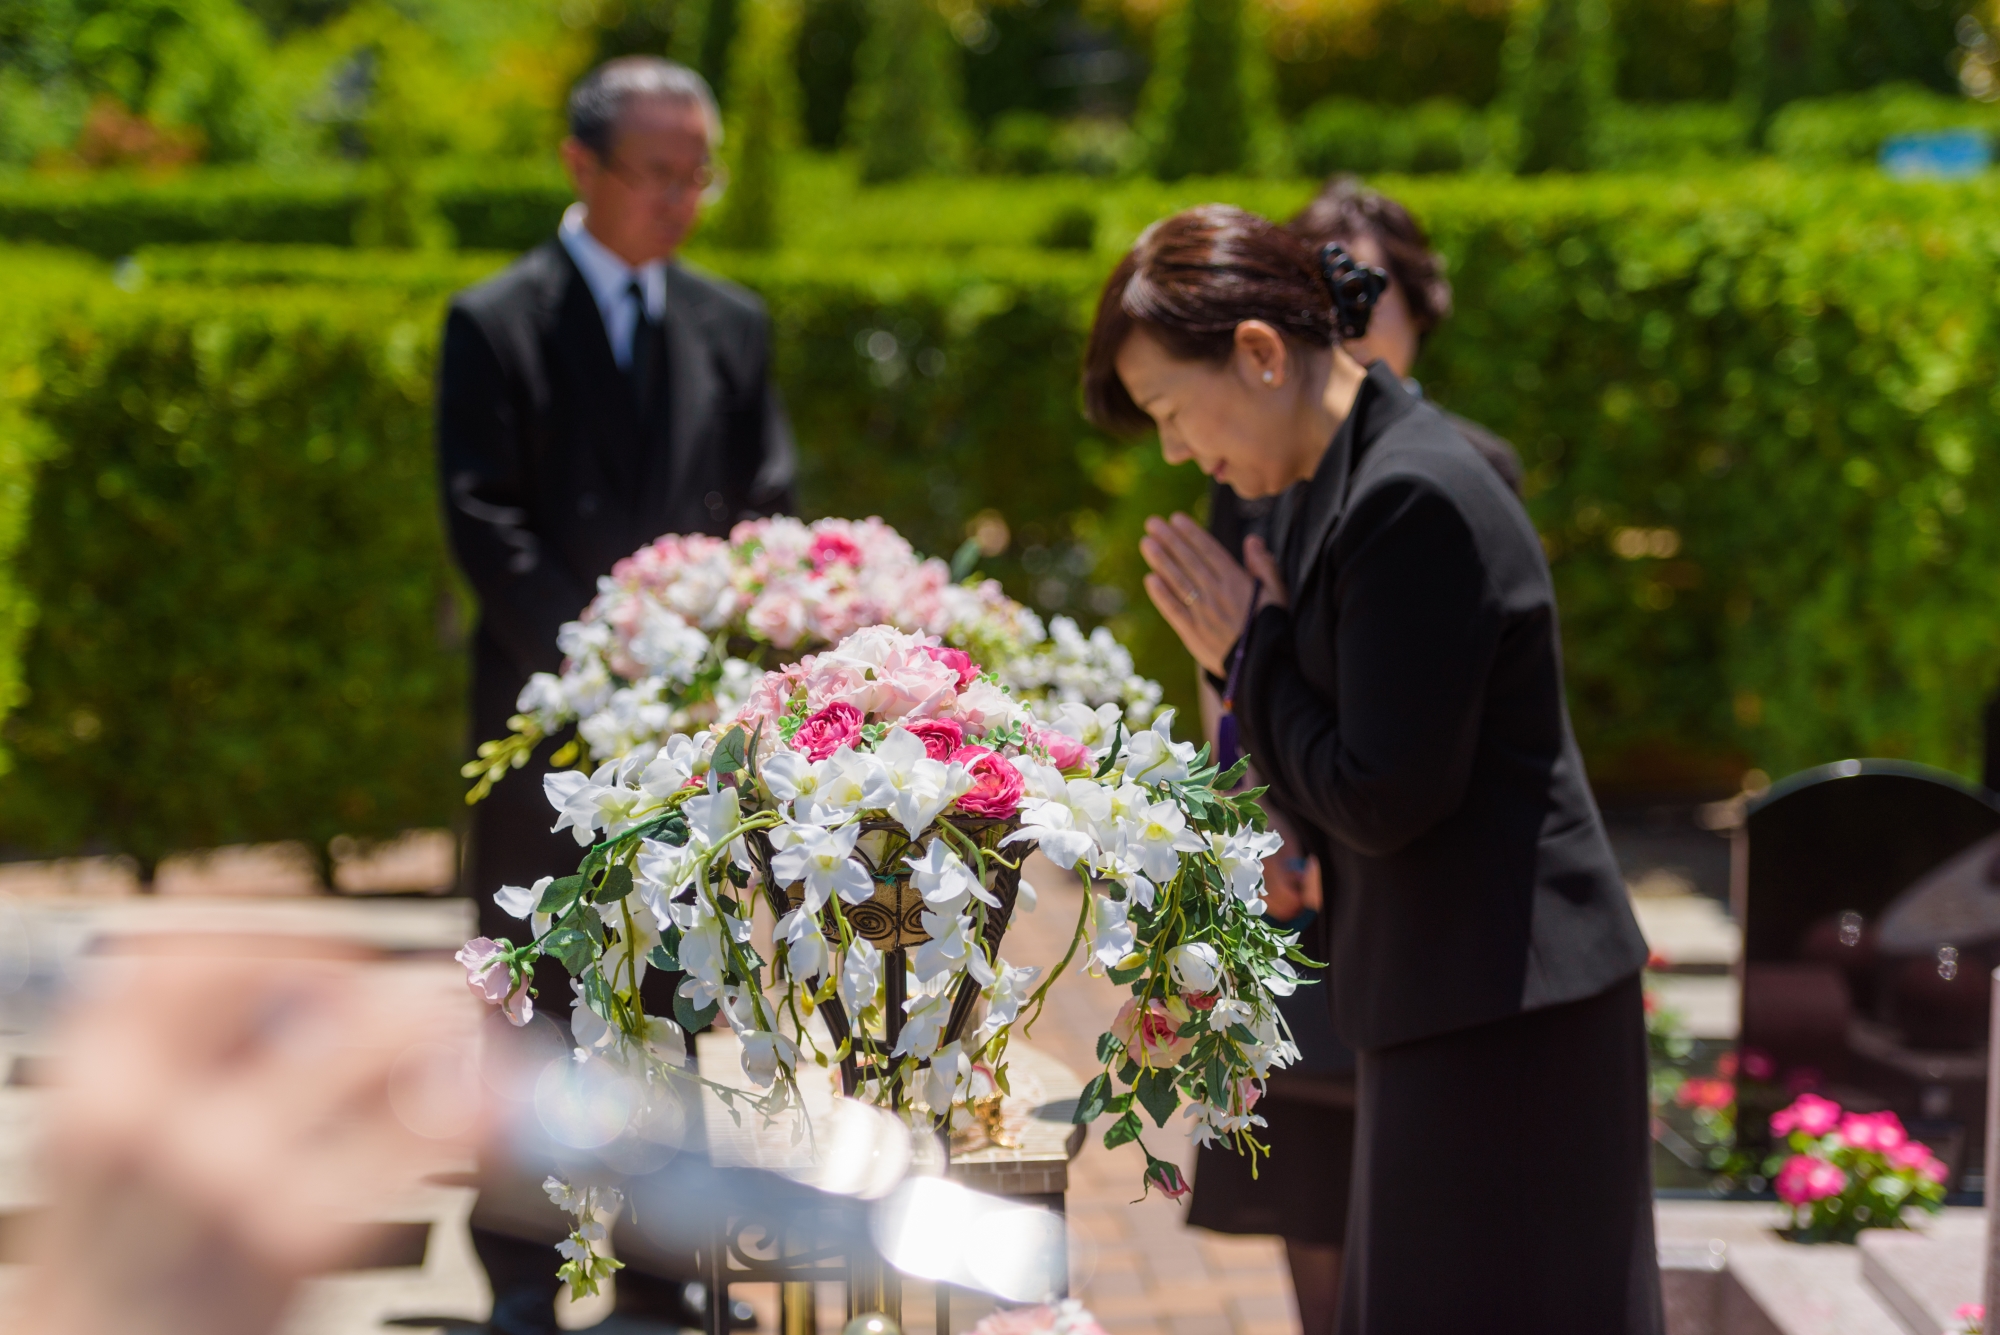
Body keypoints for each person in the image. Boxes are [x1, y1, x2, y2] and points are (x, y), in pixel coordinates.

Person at [1084, 205, 1660, 1334]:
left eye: (1167, 408)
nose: (1173, 449)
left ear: (1257, 354)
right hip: (1450, 991)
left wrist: (1245, 655)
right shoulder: (1332, 481)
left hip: (1506, 1009)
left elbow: (1382, 794)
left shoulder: (1409, 495)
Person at [435, 55, 795, 1335]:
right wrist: (613, 655)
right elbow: (485, 524)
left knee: (672, 992)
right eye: (657, 173)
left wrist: (722, 651)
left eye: (699, 173)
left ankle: (666, 1267)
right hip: (549, 720)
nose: (681, 199)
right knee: (533, 994)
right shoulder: (496, 320)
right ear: (580, 165)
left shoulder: (730, 322)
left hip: (688, 735)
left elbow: (768, 508)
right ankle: (524, 1277)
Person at [1184, 178, 1518, 1335]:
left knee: (1413, 1176)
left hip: (1391, 836)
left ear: (1415, 305)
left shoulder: (1454, 469)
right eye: (1321, 275)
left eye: (1365, 283)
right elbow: (1217, 659)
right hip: (1288, 849)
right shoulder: (1248, 461)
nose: (1345, 302)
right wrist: (1254, 822)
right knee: (1305, 1174)